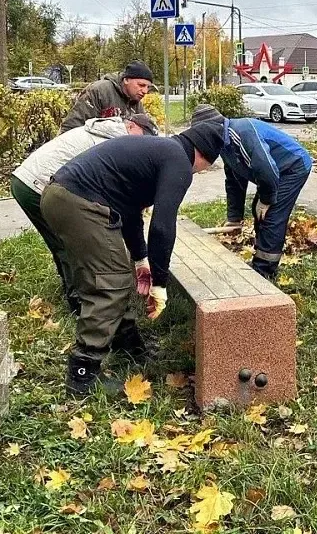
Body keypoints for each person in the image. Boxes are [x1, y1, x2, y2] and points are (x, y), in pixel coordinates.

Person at [40, 122, 224, 396]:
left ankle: (127, 344)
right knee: (109, 283)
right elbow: (162, 226)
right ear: (204, 157)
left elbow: (129, 211)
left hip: (60, 196)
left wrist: (141, 260)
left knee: (114, 272)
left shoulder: (158, 151)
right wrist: (160, 284)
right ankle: (82, 375)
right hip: (78, 202)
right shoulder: (178, 161)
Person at [11, 114, 159, 315]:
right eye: (143, 136)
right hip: (36, 185)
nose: (143, 144)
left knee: (67, 243)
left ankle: (80, 294)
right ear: (131, 126)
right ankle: (79, 305)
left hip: (33, 179)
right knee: (70, 244)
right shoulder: (112, 141)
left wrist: (139, 256)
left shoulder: (110, 132)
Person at [191, 104, 312, 280]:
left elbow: (267, 168)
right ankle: (262, 254)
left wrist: (267, 199)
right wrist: (234, 218)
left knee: (271, 214)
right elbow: (234, 182)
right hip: (275, 170)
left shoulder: (241, 133)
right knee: (259, 210)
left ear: (210, 129)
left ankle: (264, 271)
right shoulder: (224, 144)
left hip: (293, 166)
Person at [60, 61, 153, 132]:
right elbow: (72, 125)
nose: (145, 91)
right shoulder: (99, 91)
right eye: (141, 85)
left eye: (148, 87)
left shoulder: (136, 101)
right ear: (126, 80)